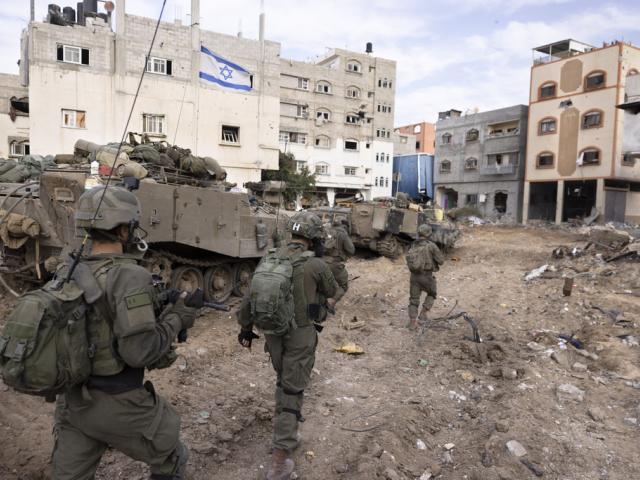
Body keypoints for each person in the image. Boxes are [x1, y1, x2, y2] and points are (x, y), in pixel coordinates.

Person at [53, 186, 197, 480]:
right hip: (118, 401)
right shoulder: (130, 275)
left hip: (72, 402)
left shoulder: (67, 269)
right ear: (123, 230)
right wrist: (177, 320)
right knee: (172, 456)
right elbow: (139, 351)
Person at [237, 211, 343, 480]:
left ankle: (285, 428)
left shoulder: (270, 258)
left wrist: (246, 330)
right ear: (314, 237)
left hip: (273, 335)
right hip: (300, 336)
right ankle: (279, 460)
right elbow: (332, 292)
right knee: (292, 390)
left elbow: (248, 300)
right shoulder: (315, 265)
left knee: (283, 382)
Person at [406, 224, 444, 330]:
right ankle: (423, 314)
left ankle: (412, 322)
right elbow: (441, 261)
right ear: (428, 233)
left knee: (413, 299)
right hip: (426, 276)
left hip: (414, 276)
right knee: (432, 293)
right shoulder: (431, 245)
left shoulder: (412, 245)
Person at [323, 218, 355, 294]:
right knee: (343, 285)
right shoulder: (342, 234)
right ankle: (332, 301)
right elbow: (351, 250)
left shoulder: (325, 231)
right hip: (334, 264)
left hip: (320, 261)